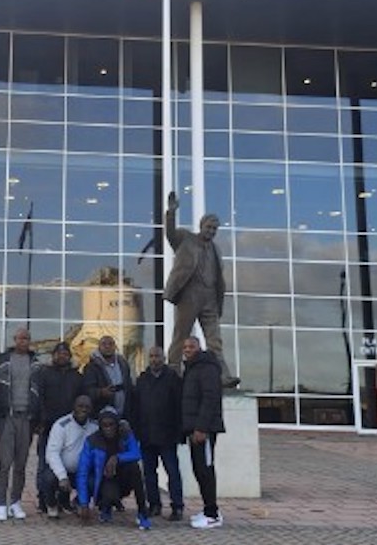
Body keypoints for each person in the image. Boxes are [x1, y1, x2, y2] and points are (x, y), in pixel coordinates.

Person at [164, 191, 238, 388]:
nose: (212, 231)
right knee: (181, 335)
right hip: (189, 295)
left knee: (215, 341)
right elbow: (170, 234)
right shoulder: (185, 238)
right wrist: (171, 213)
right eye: (209, 227)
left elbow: (218, 277)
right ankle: (173, 371)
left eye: (215, 229)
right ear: (201, 226)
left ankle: (222, 375)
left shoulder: (216, 249)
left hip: (210, 298)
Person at [0, 327, 40, 521]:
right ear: (14, 339)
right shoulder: (1, 361)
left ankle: (15, 502)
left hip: (26, 419)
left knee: (21, 463)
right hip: (6, 418)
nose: (23, 341)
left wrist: (38, 419)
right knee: (5, 462)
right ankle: (1, 502)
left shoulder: (35, 363)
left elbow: (40, 393)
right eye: (20, 338)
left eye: (27, 338)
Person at [76, 406, 151, 530]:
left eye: (111, 424)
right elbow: (82, 472)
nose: (108, 428)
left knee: (135, 468)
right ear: (100, 426)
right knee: (108, 495)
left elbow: (136, 453)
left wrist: (117, 457)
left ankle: (142, 512)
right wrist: (83, 503)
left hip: (123, 478)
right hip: (104, 480)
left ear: (117, 424)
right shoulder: (92, 441)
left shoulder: (125, 434)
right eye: (104, 425)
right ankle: (106, 507)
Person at [133, 346, 185, 521]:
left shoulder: (173, 379)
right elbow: (136, 408)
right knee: (148, 474)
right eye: (152, 356)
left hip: (167, 436)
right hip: (147, 436)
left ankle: (177, 506)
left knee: (173, 472)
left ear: (164, 358)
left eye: (158, 356)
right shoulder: (142, 380)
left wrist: (179, 431)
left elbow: (179, 407)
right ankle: (154, 505)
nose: (155, 359)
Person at [32, 341, 83, 514]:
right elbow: (38, 398)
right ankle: (43, 500)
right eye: (59, 353)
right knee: (44, 464)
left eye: (65, 353)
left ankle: (63, 500)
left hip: (69, 427)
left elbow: (80, 399)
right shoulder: (44, 373)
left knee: (66, 462)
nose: (62, 356)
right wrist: (39, 420)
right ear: (53, 355)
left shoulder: (76, 376)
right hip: (47, 425)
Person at [181, 336, 225, 529]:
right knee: (199, 469)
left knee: (205, 470)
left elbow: (210, 398)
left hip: (203, 431)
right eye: (185, 347)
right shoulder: (192, 368)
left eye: (191, 346)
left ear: (199, 348)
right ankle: (208, 508)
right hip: (194, 429)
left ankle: (213, 514)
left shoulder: (207, 367)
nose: (187, 350)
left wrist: (202, 427)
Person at [42, 394, 98, 518]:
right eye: (80, 406)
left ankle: (79, 502)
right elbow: (52, 453)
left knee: (95, 481)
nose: (83, 409)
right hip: (63, 471)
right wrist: (62, 476)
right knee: (48, 478)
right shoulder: (61, 425)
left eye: (87, 407)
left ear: (91, 409)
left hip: (82, 473)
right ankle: (52, 505)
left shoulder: (95, 427)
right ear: (74, 407)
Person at [81, 335, 134, 418]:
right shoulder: (92, 367)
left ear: (115, 347)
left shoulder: (123, 364)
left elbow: (129, 385)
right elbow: (86, 390)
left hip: (124, 414)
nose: (107, 346)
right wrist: (101, 392)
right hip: (102, 416)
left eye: (111, 344)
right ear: (99, 347)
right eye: (104, 344)